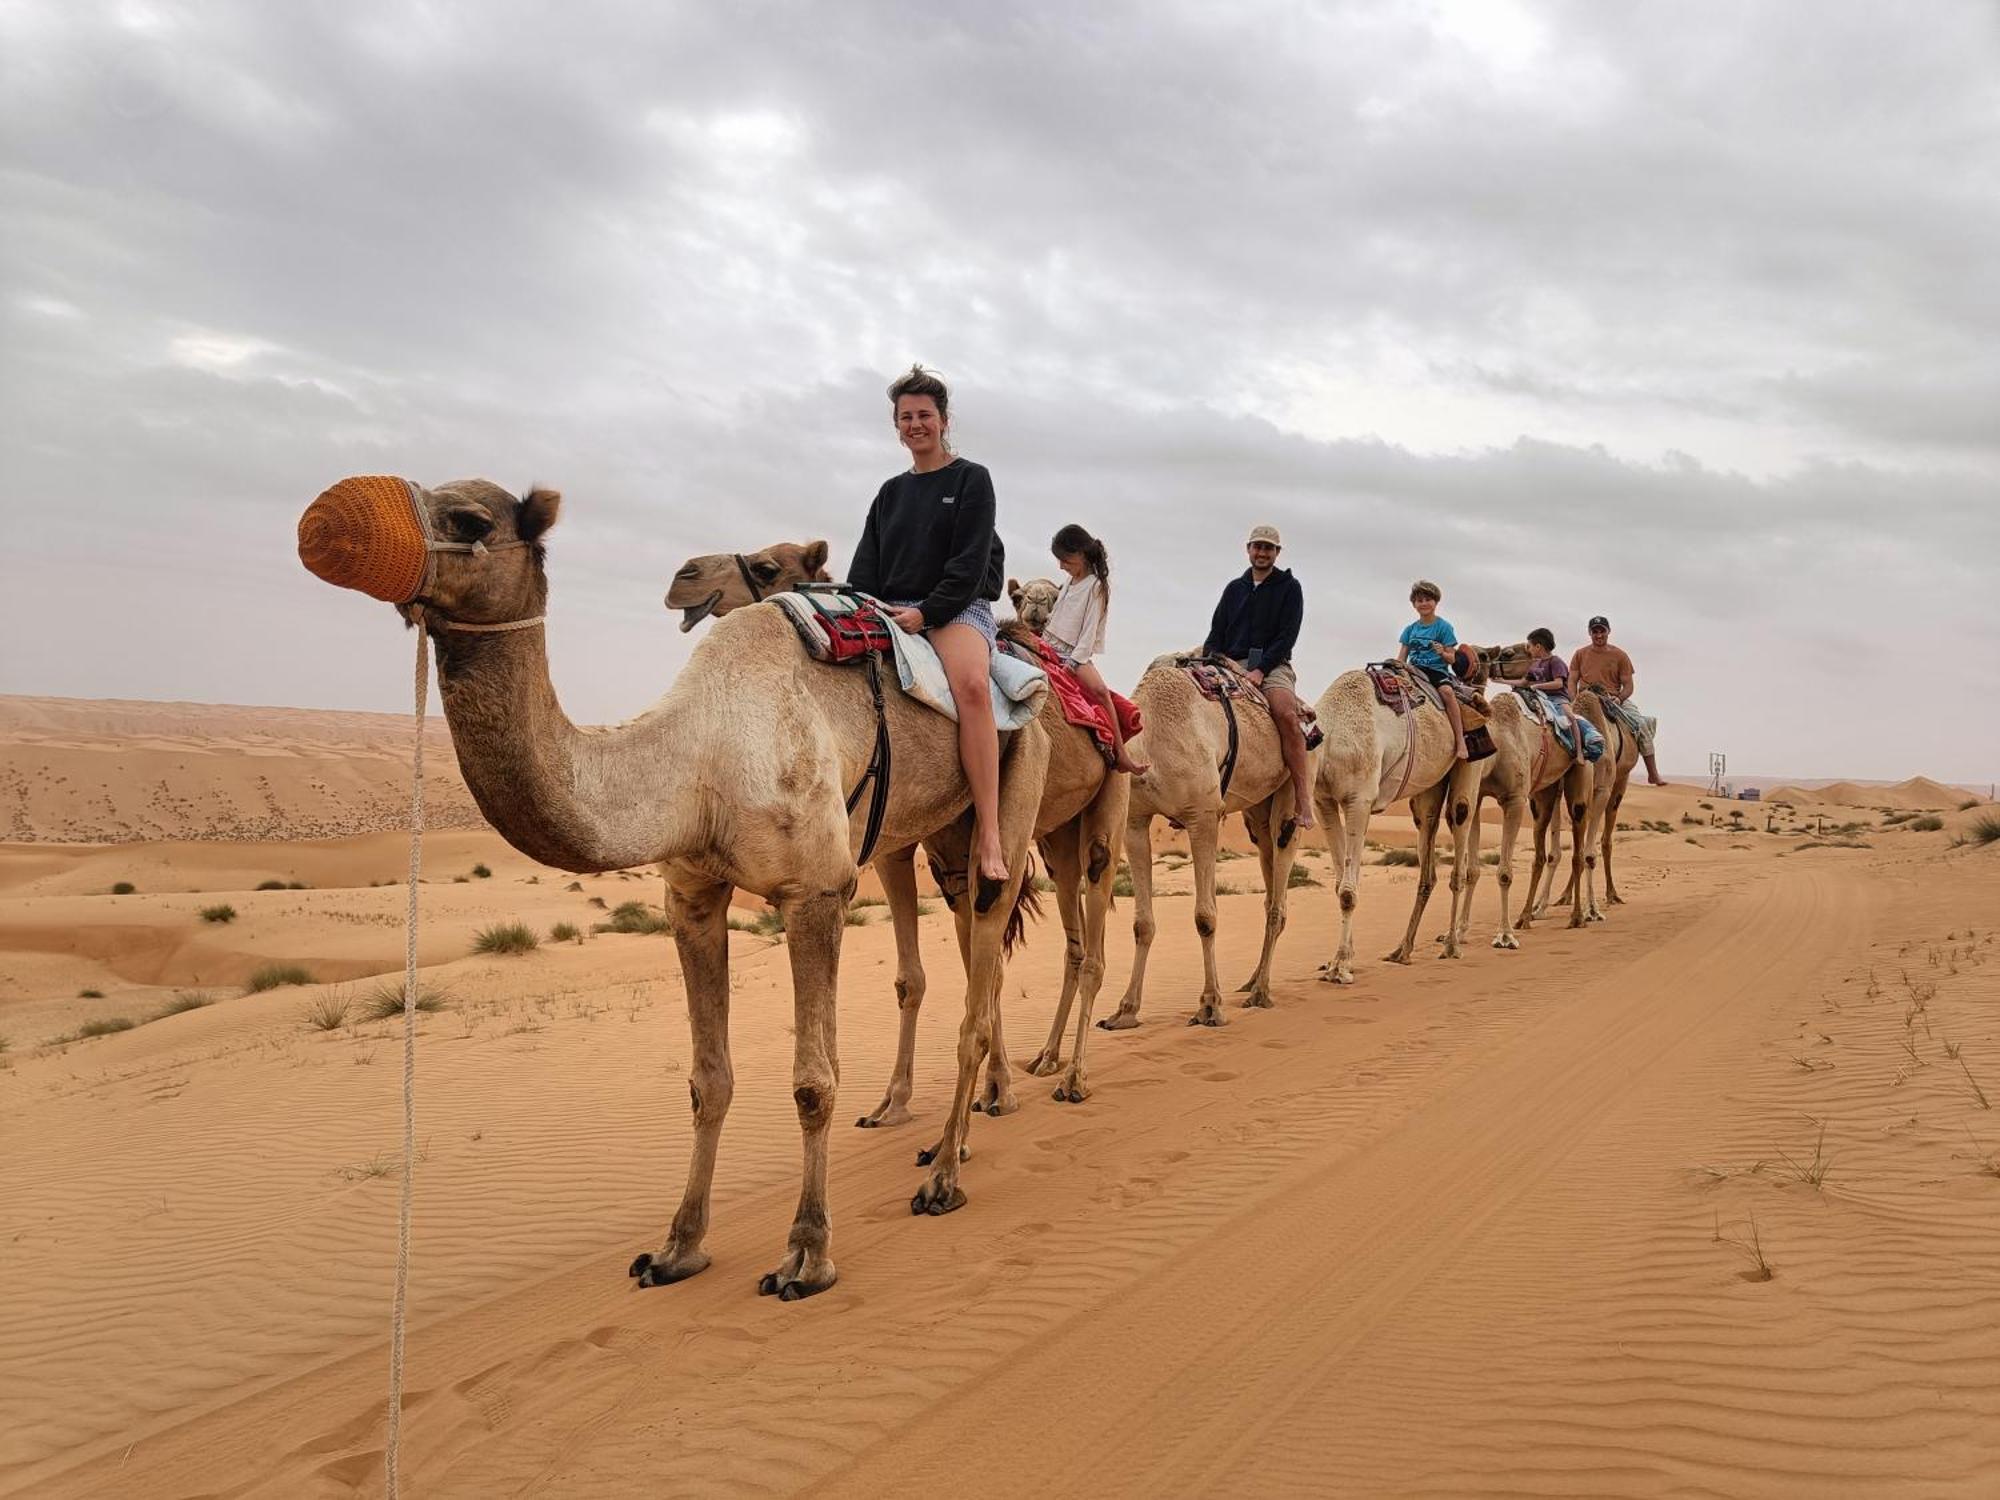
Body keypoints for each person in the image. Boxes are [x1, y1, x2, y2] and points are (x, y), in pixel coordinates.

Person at [847, 365, 1010, 883]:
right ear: (897, 427)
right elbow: (865, 567)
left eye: (924, 415)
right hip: (891, 608)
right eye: (906, 417)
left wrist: (927, 613)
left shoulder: (971, 480)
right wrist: (861, 609)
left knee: (971, 687)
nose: (915, 424)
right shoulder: (890, 493)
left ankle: (989, 831)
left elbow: (968, 565)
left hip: (953, 608)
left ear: (943, 420)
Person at [1201, 523, 1313, 829]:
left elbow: (1287, 636)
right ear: (1248, 549)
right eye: (1257, 546)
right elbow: (1215, 634)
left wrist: (1260, 670)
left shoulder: (1290, 588)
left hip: (1271, 665)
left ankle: (1304, 799)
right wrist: (1218, 661)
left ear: (1277, 553)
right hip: (1228, 664)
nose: (1262, 552)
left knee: (1286, 715)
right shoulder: (1233, 589)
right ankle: (1193, 795)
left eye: (1268, 548)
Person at [1045, 524, 1148, 775]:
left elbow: (1088, 633)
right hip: (1049, 643)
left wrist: (1071, 664)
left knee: (1101, 692)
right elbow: (1057, 618)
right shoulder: (1070, 581)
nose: (1061, 566)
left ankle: (1121, 754)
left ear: (1081, 553)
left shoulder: (1096, 586)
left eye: (1065, 559)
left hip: (1073, 654)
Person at [1569, 615, 1666, 785]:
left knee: (1640, 724)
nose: (1598, 635)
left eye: (1602, 631)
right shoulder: (1580, 654)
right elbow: (1572, 680)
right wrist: (1573, 699)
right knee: (1559, 722)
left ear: (1608, 632)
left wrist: (1619, 698)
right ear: (1590, 633)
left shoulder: (1620, 655)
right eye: (1595, 631)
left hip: (1612, 697)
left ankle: (1653, 773)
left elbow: (1628, 686)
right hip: (1585, 698)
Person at [1396, 580, 1468, 761]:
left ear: (1436, 602)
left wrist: (1442, 652)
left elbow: (1452, 658)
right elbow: (1402, 656)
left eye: (1427, 599)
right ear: (1414, 604)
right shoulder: (1410, 630)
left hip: (1436, 670)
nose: (1423, 603)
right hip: (1414, 670)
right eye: (1419, 600)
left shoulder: (1444, 627)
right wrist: (1396, 669)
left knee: (1447, 692)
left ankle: (1461, 741)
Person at [1524, 627, 1586, 768]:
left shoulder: (1555, 661)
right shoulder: (1535, 664)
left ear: (1538, 646)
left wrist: (1537, 686)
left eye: (1530, 646)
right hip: (1541, 698)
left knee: (1570, 717)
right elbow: (1524, 682)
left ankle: (1579, 752)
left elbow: (1558, 683)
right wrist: (1501, 680)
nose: (1529, 650)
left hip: (1558, 698)